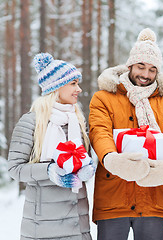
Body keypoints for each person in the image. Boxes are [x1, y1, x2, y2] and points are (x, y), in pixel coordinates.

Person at [89, 28, 163, 240]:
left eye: (152, 70)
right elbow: (99, 132)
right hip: (114, 194)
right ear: (130, 65)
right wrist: (111, 159)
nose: (145, 75)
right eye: (141, 67)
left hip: (154, 195)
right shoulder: (104, 98)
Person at [7, 53, 95, 240]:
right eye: (73, 84)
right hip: (43, 227)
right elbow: (15, 169)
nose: (78, 89)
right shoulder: (31, 122)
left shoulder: (78, 120)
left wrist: (87, 168)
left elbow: (82, 158)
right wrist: (49, 170)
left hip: (78, 225)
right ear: (57, 86)